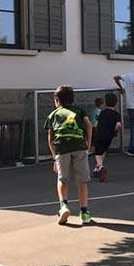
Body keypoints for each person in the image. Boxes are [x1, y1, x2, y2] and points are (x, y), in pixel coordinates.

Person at [45, 85, 94, 225]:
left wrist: (55, 156)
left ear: (57, 100)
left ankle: (63, 206)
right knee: (82, 181)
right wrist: (88, 145)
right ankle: (84, 212)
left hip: (62, 148)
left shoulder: (53, 114)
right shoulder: (79, 110)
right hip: (79, 146)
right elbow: (89, 125)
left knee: (62, 179)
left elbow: (50, 138)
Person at [92, 92, 122, 182]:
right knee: (103, 150)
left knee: (97, 153)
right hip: (109, 136)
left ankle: (101, 167)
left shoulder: (102, 113)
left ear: (105, 103)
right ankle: (97, 168)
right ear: (116, 103)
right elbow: (118, 125)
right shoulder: (116, 114)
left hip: (100, 134)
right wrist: (115, 130)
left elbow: (98, 122)